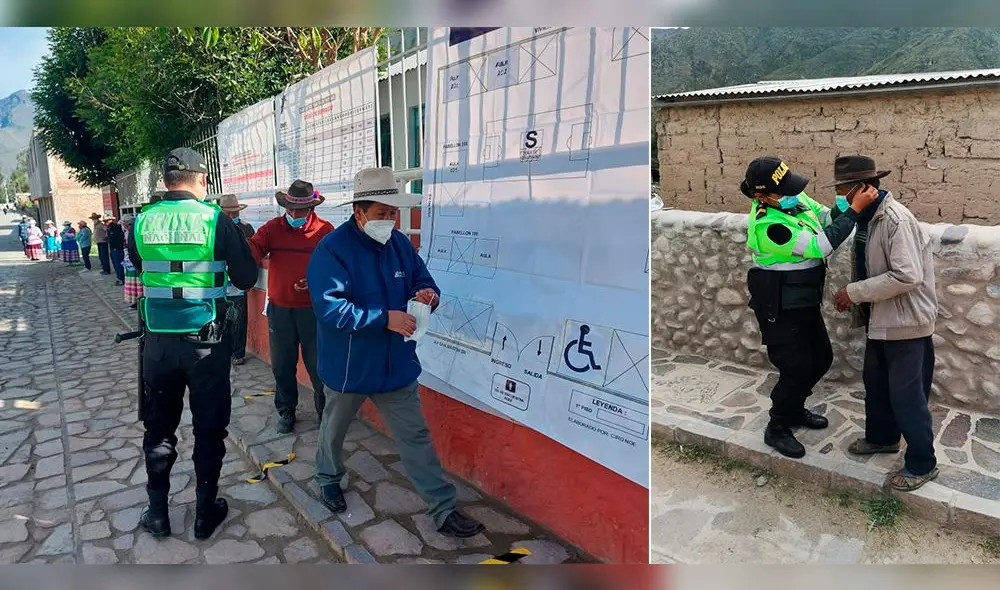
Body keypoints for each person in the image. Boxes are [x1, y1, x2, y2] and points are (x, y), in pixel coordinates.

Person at [308, 166, 485, 538]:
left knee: (415, 435)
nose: (389, 220)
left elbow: (424, 281)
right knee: (334, 430)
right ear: (359, 212)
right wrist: (383, 318)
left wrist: (429, 296)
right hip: (349, 366)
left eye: (393, 212)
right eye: (381, 213)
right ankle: (328, 478)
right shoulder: (331, 250)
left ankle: (442, 508)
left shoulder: (400, 244)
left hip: (396, 363)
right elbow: (330, 309)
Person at [127, 148, 258, 540]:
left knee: (158, 430)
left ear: (166, 181)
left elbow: (141, 266)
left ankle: (158, 514)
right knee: (209, 428)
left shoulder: (141, 221)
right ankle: (204, 514)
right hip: (207, 343)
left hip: (157, 344)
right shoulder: (216, 220)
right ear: (202, 179)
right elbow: (247, 278)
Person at [741, 156, 878, 459]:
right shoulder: (769, 225)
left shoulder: (794, 198)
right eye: (785, 189)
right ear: (763, 196)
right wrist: (855, 211)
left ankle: (793, 409)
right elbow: (820, 246)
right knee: (795, 368)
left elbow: (825, 218)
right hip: (779, 306)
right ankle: (777, 425)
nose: (794, 192)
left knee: (821, 358)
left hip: (803, 300)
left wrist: (845, 202)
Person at [830, 155, 939, 492]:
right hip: (881, 319)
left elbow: (907, 275)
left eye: (843, 190)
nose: (841, 197)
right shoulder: (867, 218)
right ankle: (882, 438)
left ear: (863, 188)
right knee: (876, 386)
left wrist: (853, 292)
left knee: (907, 397)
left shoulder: (895, 220)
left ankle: (922, 463)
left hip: (905, 323)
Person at [248, 180, 333, 434]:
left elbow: (336, 268)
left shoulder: (325, 231)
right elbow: (254, 248)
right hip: (280, 310)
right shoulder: (272, 229)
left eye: (301, 210)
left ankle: (325, 413)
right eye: (290, 209)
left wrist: (315, 281)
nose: (294, 215)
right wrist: (240, 253)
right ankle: (286, 411)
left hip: (313, 311)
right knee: (282, 365)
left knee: (319, 366)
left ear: (311, 208)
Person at [218, 194, 256, 366]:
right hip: (219, 285)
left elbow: (252, 255)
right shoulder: (215, 229)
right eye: (229, 213)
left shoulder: (246, 229)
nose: (233, 216)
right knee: (222, 321)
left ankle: (238, 353)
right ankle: (223, 351)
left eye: (235, 213)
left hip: (238, 286)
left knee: (239, 321)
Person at [120, 215, 142, 309]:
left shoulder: (135, 232)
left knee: (137, 282)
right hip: (128, 259)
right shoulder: (126, 232)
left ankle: (139, 300)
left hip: (134, 260)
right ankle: (134, 300)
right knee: (131, 282)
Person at [108, 216, 126, 285]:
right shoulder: (109, 228)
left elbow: (119, 238)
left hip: (117, 248)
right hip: (113, 248)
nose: (106, 222)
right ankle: (119, 277)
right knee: (115, 264)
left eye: (108, 220)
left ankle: (121, 278)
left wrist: (118, 246)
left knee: (118, 264)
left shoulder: (116, 228)